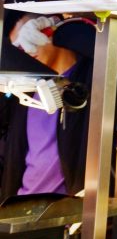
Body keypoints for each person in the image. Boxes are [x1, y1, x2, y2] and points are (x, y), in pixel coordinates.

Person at [0, 14, 94, 200]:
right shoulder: (24, 90)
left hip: (67, 216)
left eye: (28, 37)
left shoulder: (89, 79)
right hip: (20, 209)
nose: (25, 50)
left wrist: (61, 28)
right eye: (17, 47)